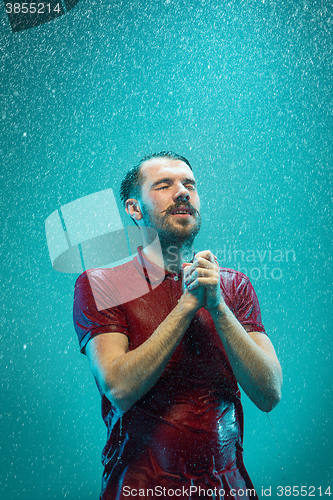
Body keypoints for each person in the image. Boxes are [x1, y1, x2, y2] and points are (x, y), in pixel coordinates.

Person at [73, 151, 282, 500]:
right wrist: (187, 305)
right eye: (164, 185)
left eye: (189, 185)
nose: (182, 192)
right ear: (134, 209)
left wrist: (217, 307)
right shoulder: (101, 285)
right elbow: (120, 388)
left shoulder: (234, 287)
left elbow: (270, 392)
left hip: (231, 491)